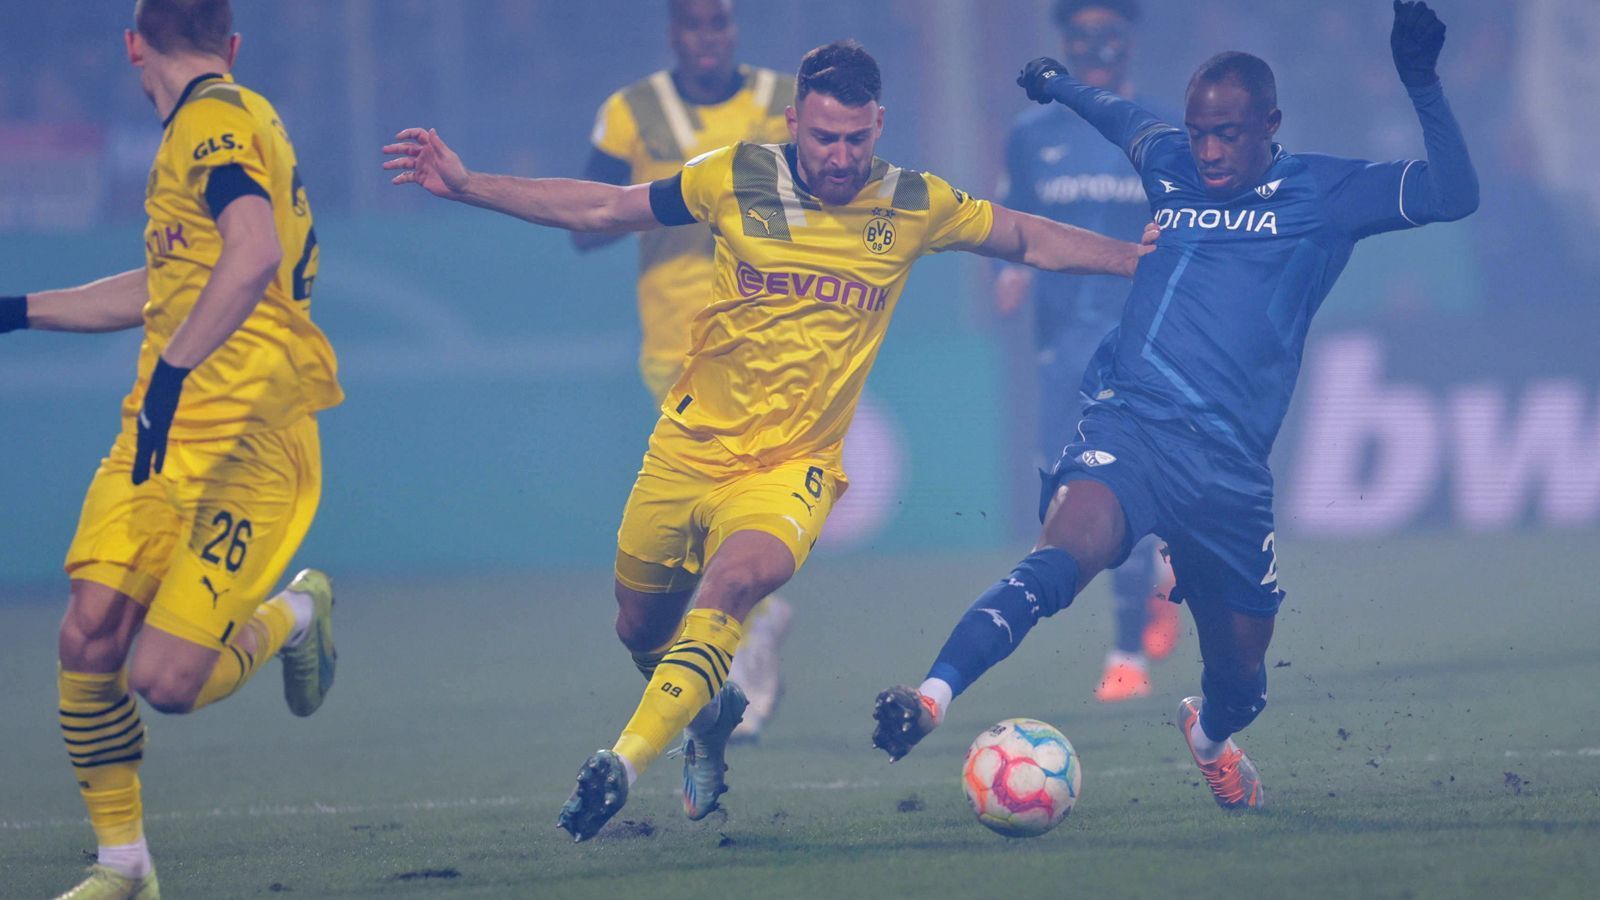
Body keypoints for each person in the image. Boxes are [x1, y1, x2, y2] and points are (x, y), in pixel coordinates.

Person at [384, 39, 1152, 841]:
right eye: (825, 137)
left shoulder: (911, 202)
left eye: (858, 138)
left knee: (733, 588)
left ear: (880, 124)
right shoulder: (733, 176)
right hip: (685, 452)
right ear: (794, 122)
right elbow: (606, 208)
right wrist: (468, 185)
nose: (842, 156)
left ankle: (621, 762)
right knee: (640, 629)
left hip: (793, 469)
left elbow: (1025, 238)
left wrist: (1135, 262)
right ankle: (711, 716)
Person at [873, 0, 1476, 811]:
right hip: (1134, 424)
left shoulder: (1326, 194)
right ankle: (930, 699)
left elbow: (1455, 193)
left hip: (1228, 471)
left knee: (1241, 681)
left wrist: (1421, 81)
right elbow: (1120, 114)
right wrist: (1056, 84)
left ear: (1271, 125)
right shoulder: (1173, 163)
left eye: (1229, 133)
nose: (1211, 149)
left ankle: (1211, 736)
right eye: (1199, 132)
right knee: (1060, 560)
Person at [1, 2, 342, 896]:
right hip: (163, 438)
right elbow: (171, 286)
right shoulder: (217, 124)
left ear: (131, 43)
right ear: (230, 43)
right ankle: (124, 868)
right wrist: (19, 310)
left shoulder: (213, 118)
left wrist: (170, 375)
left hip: (249, 444)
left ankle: (297, 616)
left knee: (167, 679)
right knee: (89, 631)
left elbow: (255, 248)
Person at [576, 0, 796, 742]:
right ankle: (755, 624)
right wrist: (680, 202)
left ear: (735, 30)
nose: (710, 36)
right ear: (674, 33)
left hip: (771, 341)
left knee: (734, 507)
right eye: (696, 24)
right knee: (706, 517)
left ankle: (748, 637)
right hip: (676, 349)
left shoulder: (781, 103)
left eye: (722, 22)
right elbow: (587, 226)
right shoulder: (631, 111)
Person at [996, 0, 1177, 703]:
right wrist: (1006, 273)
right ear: (1064, 42)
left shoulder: (1158, 130)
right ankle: (1162, 569)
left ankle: (1127, 651)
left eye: (1109, 33)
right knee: (1059, 504)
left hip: (1140, 344)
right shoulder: (1031, 135)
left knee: (1116, 491)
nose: (1096, 46)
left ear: (1129, 40)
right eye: (1082, 35)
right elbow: (1009, 224)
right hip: (1060, 345)